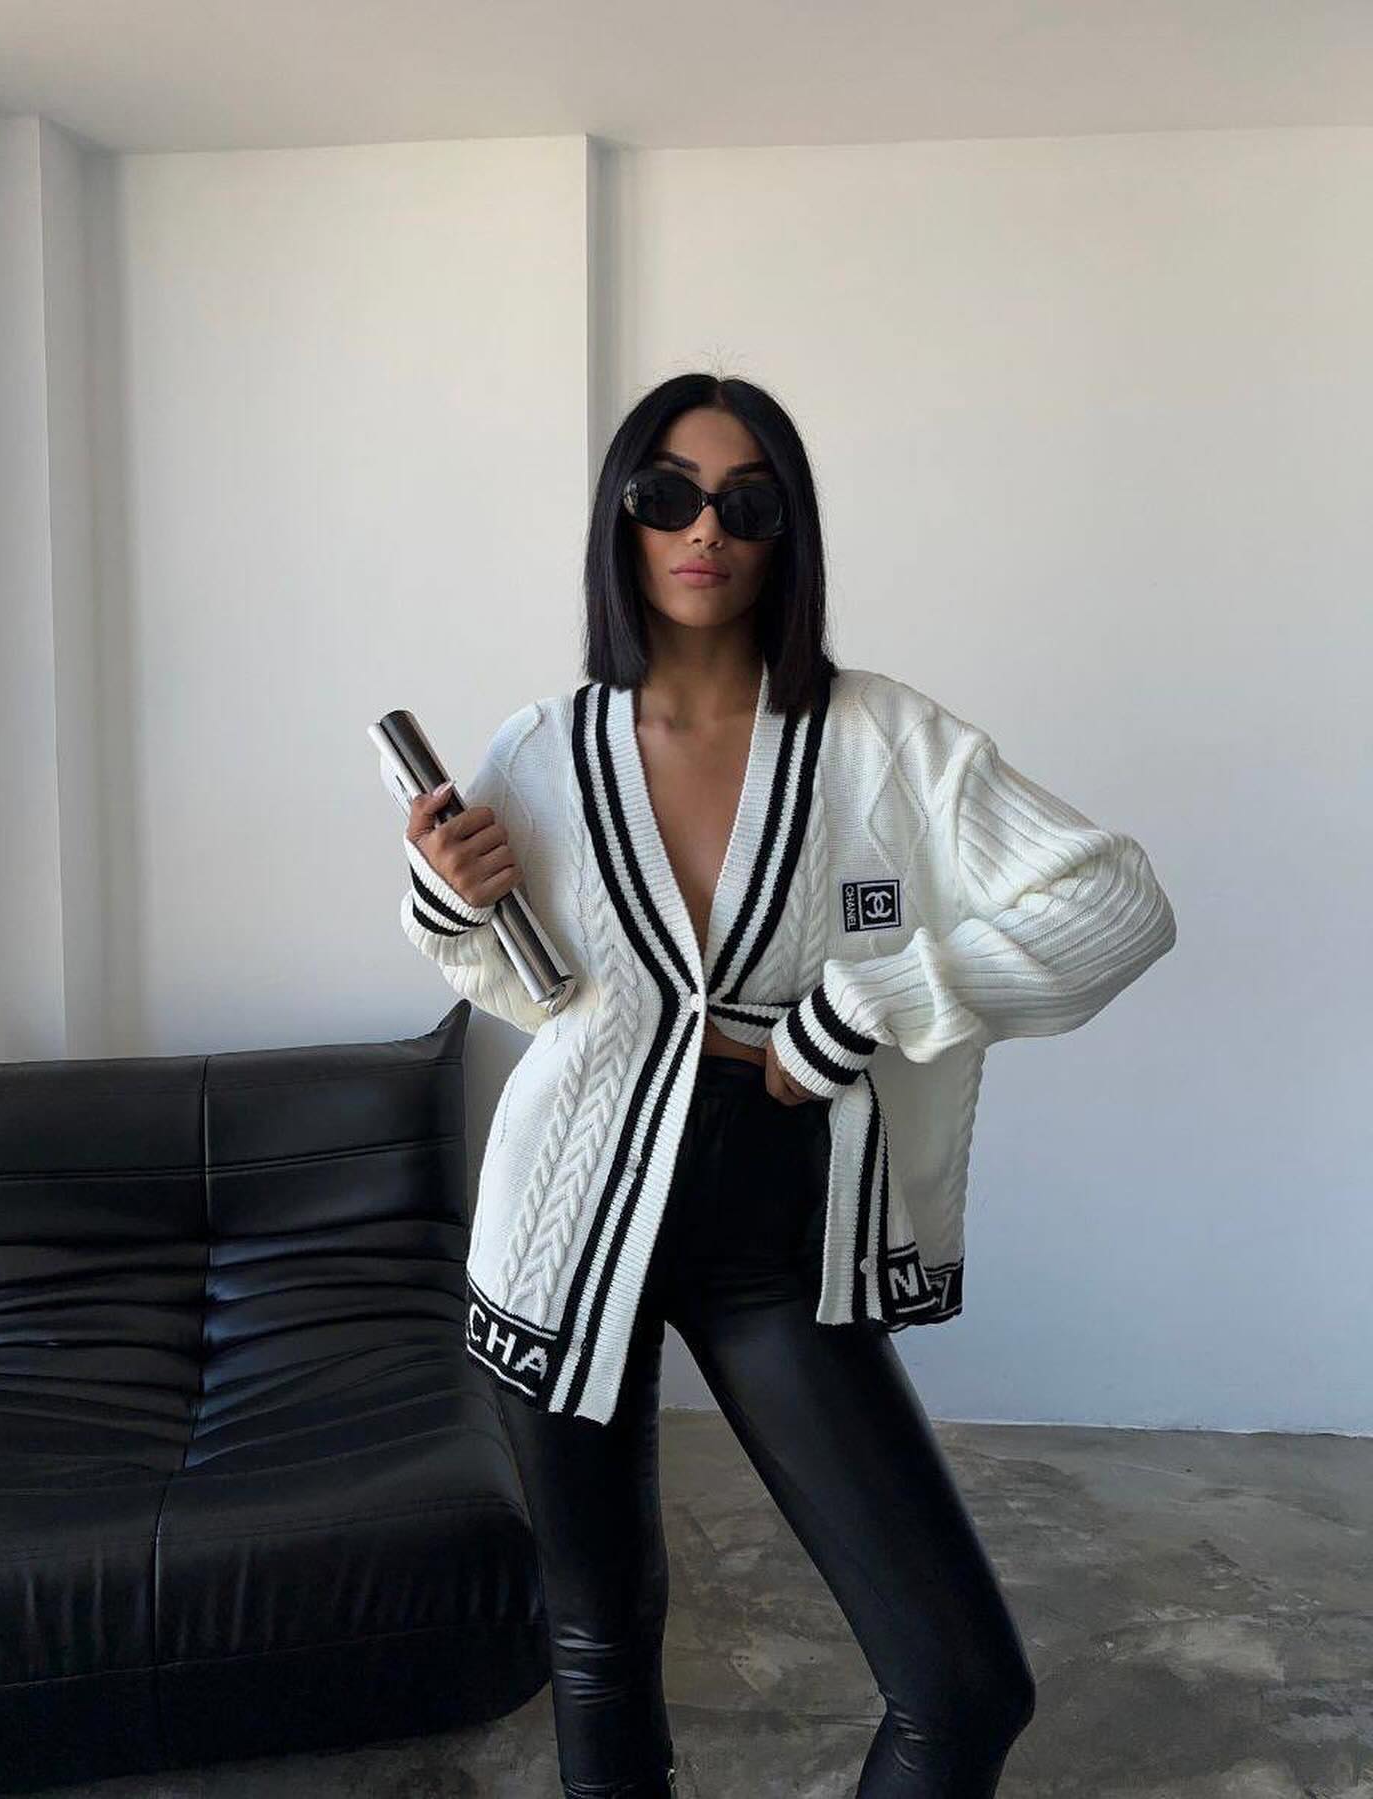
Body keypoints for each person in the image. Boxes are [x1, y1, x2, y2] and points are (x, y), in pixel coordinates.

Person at [400, 373, 1176, 1796]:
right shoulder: (545, 748)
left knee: (961, 1685)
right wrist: (451, 900)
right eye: (668, 496)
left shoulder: (880, 739)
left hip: (779, 1237)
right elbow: (541, 993)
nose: (705, 528)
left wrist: (867, 1005)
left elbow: (1116, 903)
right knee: (599, 1644)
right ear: (623, 520)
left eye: (746, 503)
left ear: (787, 534)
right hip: (562, 1235)